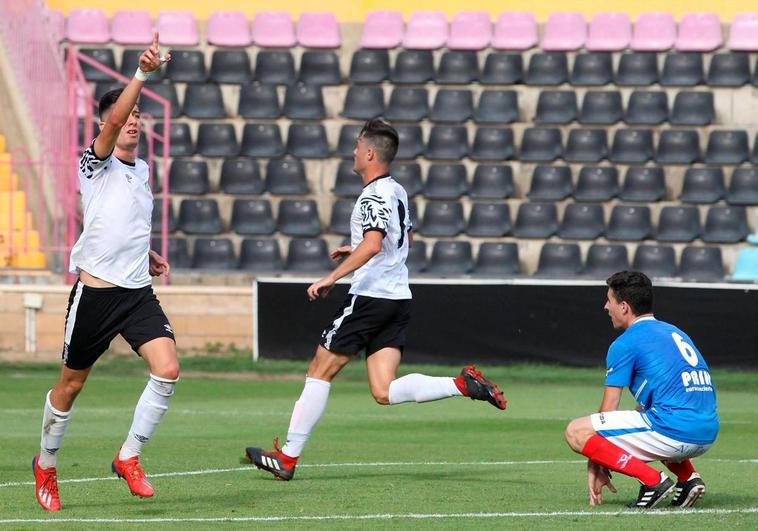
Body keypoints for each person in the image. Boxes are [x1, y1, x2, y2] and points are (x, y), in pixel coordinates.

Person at [244, 118, 507, 480]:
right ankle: (461, 385)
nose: (353, 152)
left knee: (319, 372)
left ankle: (288, 457)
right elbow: (403, 241)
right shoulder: (397, 190)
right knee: (383, 390)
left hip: (370, 296)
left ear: (369, 153)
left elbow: (373, 243)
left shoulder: (372, 195)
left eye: (356, 146)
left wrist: (331, 277)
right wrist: (355, 248)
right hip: (397, 298)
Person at [32, 34, 177, 512]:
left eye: (138, 116)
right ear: (106, 124)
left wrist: (149, 252)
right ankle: (47, 463)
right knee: (70, 385)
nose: (132, 121)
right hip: (95, 295)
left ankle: (128, 456)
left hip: (138, 293)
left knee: (168, 368)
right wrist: (141, 75)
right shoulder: (94, 163)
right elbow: (114, 119)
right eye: (125, 116)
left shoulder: (142, 173)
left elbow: (123, 222)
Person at [565, 271, 719, 509]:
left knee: (576, 431)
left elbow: (607, 411)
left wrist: (597, 461)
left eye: (610, 300)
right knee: (646, 416)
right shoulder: (675, 332)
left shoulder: (625, 343)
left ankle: (653, 481)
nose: (606, 306)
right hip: (707, 432)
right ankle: (688, 478)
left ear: (624, 307)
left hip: (675, 431)